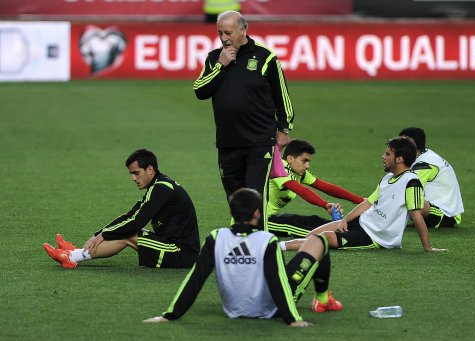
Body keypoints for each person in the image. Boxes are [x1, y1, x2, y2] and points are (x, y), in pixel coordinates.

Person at [143, 188, 342, 327]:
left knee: (311, 242)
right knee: (320, 241)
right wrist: (292, 319)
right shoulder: (267, 240)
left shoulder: (216, 237)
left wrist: (170, 315)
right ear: (257, 213)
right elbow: (277, 281)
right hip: (271, 310)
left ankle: (320, 298)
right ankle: (323, 299)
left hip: (233, 308)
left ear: (231, 212)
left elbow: (196, 278)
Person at [193, 10, 295, 226]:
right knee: (236, 201)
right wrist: (221, 65)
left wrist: (284, 129)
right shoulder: (214, 58)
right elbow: (200, 90)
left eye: (228, 32)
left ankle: (260, 248)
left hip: (259, 142)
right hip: (228, 142)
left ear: (243, 30)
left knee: (255, 198)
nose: (223, 38)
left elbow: (282, 97)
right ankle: (241, 246)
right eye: (220, 33)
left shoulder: (265, 57)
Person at [43, 149, 200, 269]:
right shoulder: (158, 187)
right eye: (131, 174)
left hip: (180, 254)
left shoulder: (161, 189)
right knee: (126, 230)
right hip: (171, 246)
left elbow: (135, 223)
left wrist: (103, 235)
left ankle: (73, 257)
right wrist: (98, 234)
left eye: (136, 173)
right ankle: (75, 253)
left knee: (129, 233)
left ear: (150, 169)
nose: (133, 178)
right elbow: (130, 216)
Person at [284, 137, 447, 252]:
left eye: (388, 154)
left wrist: (428, 247)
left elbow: (417, 216)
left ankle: (276, 248)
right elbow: (368, 203)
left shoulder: (412, 182)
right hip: (362, 222)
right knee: (312, 234)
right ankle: (278, 248)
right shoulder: (388, 177)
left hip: (374, 237)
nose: (383, 157)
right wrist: (345, 221)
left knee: (322, 238)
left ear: (399, 159)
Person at [266, 139, 364, 237]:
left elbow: (327, 188)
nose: (307, 166)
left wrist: (361, 201)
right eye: (304, 161)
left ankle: (351, 229)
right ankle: (346, 237)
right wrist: (325, 205)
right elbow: (302, 191)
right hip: (262, 220)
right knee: (308, 231)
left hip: (272, 216)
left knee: (314, 220)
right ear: (290, 158)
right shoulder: (279, 168)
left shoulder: (299, 173)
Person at [399, 127, 464, 227]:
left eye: (401, 143)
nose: (398, 147)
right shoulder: (423, 155)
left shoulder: (424, 164)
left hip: (446, 215)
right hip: (436, 209)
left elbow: (404, 190)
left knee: (411, 199)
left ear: (412, 145)